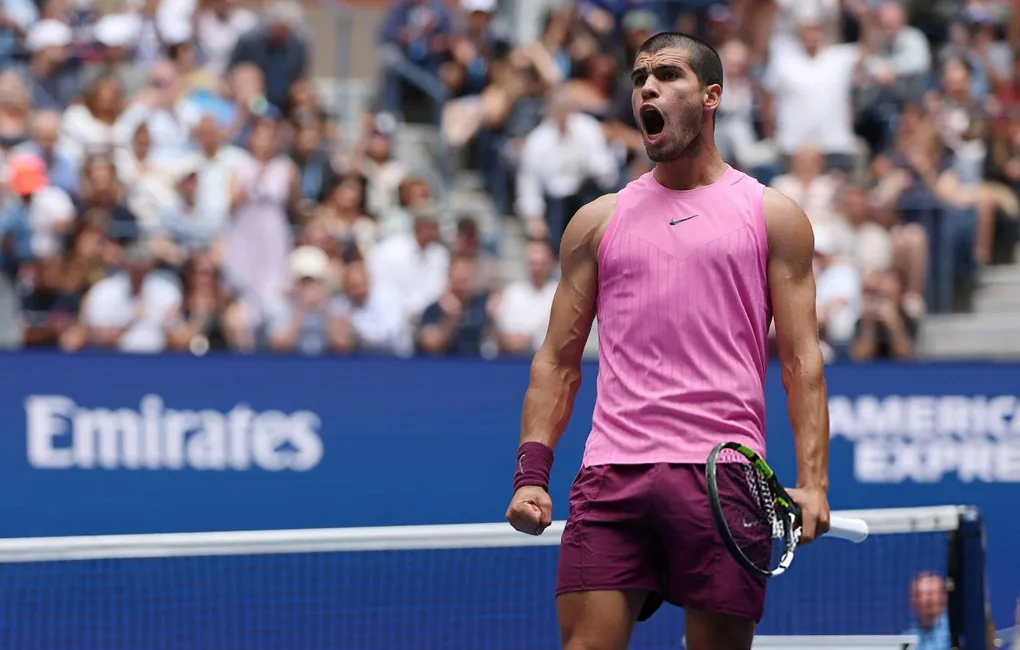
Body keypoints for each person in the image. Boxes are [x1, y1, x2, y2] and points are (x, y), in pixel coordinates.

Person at [504, 32, 832, 650]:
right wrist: (531, 475)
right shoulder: (596, 222)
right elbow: (557, 359)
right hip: (611, 475)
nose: (647, 87)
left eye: (668, 75)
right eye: (639, 78)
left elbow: (800, 359)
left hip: (725, 477)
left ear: (711, 96)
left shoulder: (772, 215)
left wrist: (813, 483)